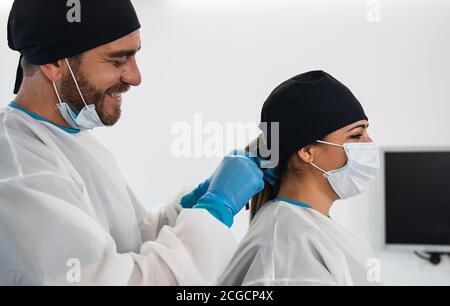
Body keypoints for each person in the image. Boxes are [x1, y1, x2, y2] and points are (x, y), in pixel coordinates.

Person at [0, 0, 268, 285]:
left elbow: (129, 240)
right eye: (117, 60)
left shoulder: (70, 138)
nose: (135, 77)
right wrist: (215, 209)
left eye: (134, 56)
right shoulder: (19, 171)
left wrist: (195, 203)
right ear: (54, 63)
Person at [219, 70, 382, 286]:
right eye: (356, 135)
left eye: (366, 132)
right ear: (307, 151)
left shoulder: (307, 230)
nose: (368, 144)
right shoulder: (286, 244)